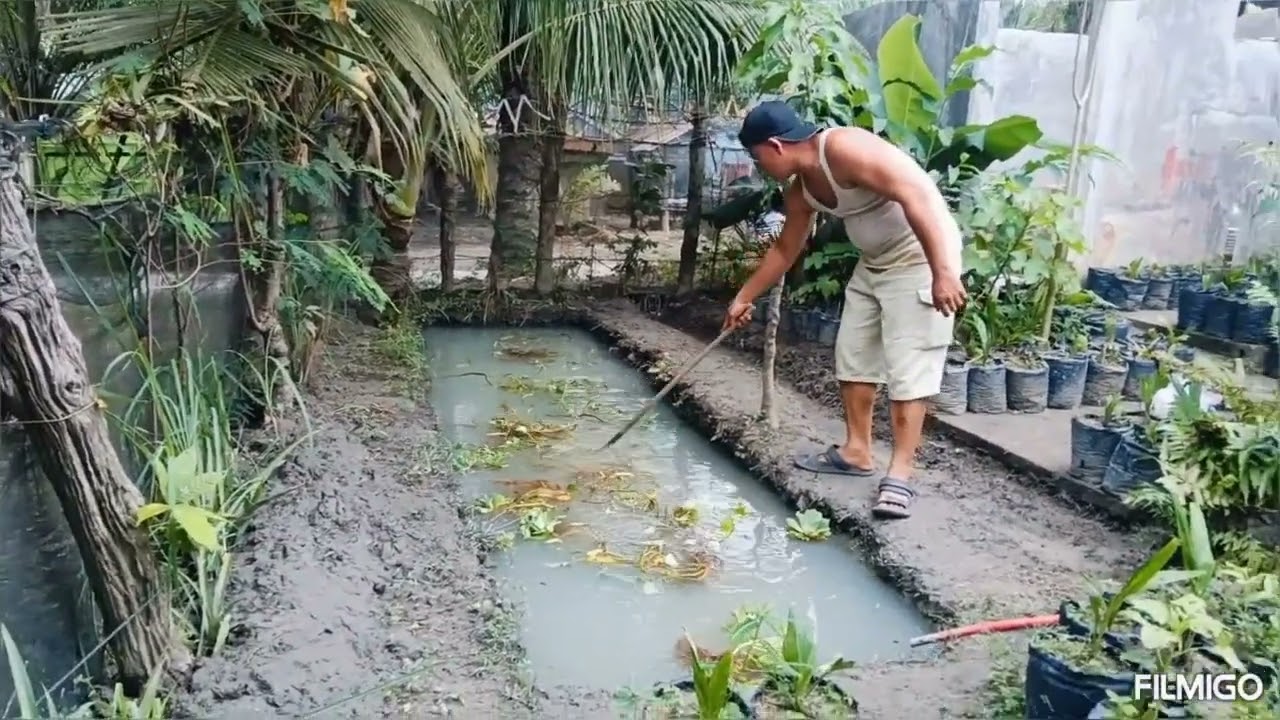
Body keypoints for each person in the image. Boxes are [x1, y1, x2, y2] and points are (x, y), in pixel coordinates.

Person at [724, 101, 967, 520]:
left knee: (910, 366)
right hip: (874, 263)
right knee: (854, 354)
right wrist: (744, 296)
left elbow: (917, 195)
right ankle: (857, 451)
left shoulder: (844, 149)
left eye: (755, 155)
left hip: (920, 260)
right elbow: (786, 248)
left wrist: (942, 272)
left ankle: (901, 475)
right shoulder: (801, 189)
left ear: (776, 146)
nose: (756, 164)